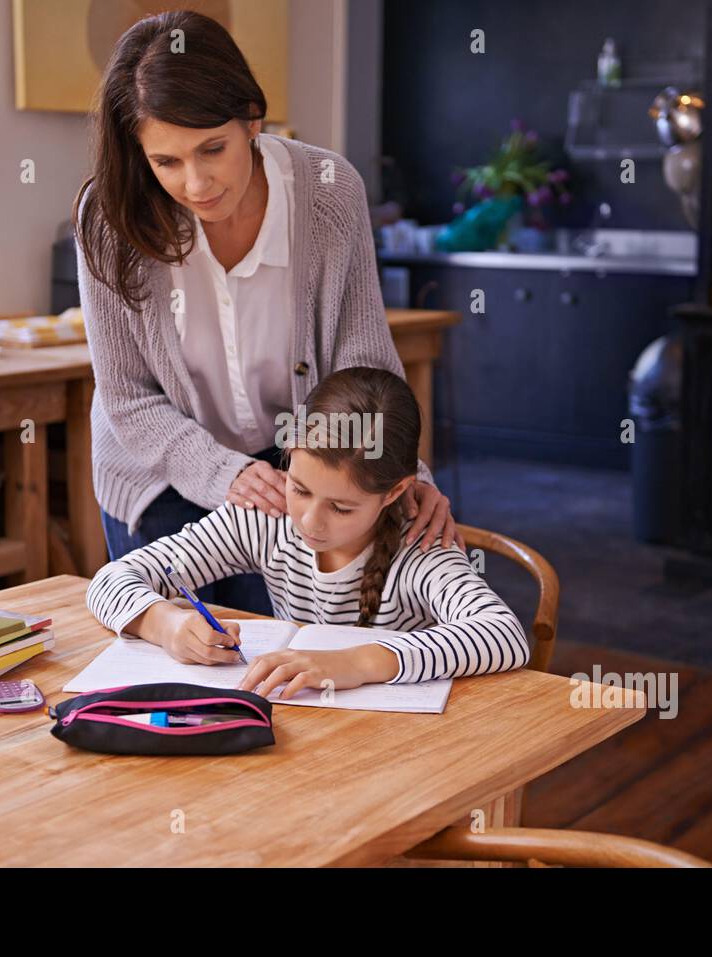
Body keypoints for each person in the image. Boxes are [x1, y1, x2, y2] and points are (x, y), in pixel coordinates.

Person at [73, 10, 458, 614]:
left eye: (212, 149)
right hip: (161, 471)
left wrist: (405, 477)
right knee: (172, 665)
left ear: (252, 118)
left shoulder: (330, 191)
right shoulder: (109, 216)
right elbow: (126, 399)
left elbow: (363, 373)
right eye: (166, 161)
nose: (196, 183)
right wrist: (221, 471)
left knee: (275, 664)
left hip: (293, 474)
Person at [86, 367, 529, 699]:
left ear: (395, 491)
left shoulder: (420, 547)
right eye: (300, 488)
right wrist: (166, 624)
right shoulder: (267, 516)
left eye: (341, 507)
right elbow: (110, 580)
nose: (310, 521)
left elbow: (503, 636)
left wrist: (359, 661)